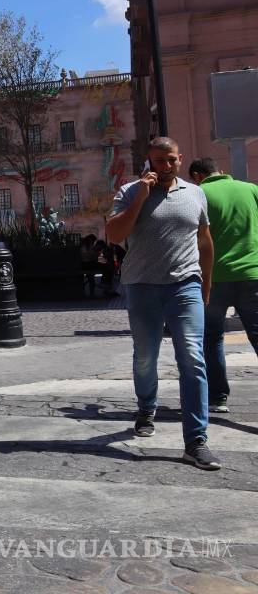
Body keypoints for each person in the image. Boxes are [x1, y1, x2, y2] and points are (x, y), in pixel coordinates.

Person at [106, 137, 219, 470]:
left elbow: (204, 241)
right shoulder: (129, 192)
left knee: (193, 358)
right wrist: (141, 195)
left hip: (185, 285)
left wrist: (206, 283)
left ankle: (196, 441)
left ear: (180, 159)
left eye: (171, 160)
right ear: (148, 161)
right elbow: (114, 234)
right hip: (142, 287)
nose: (166, 166)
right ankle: (146, 407)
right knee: (146, 357)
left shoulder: (195, 194)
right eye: (159, 160)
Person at [188, 158, 258, 414]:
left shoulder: (198, 194)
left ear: (197, 175)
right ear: (220, 170)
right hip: (252, 274)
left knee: (212, 338)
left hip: (213, 278)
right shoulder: (251, 189)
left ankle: (218, 398)